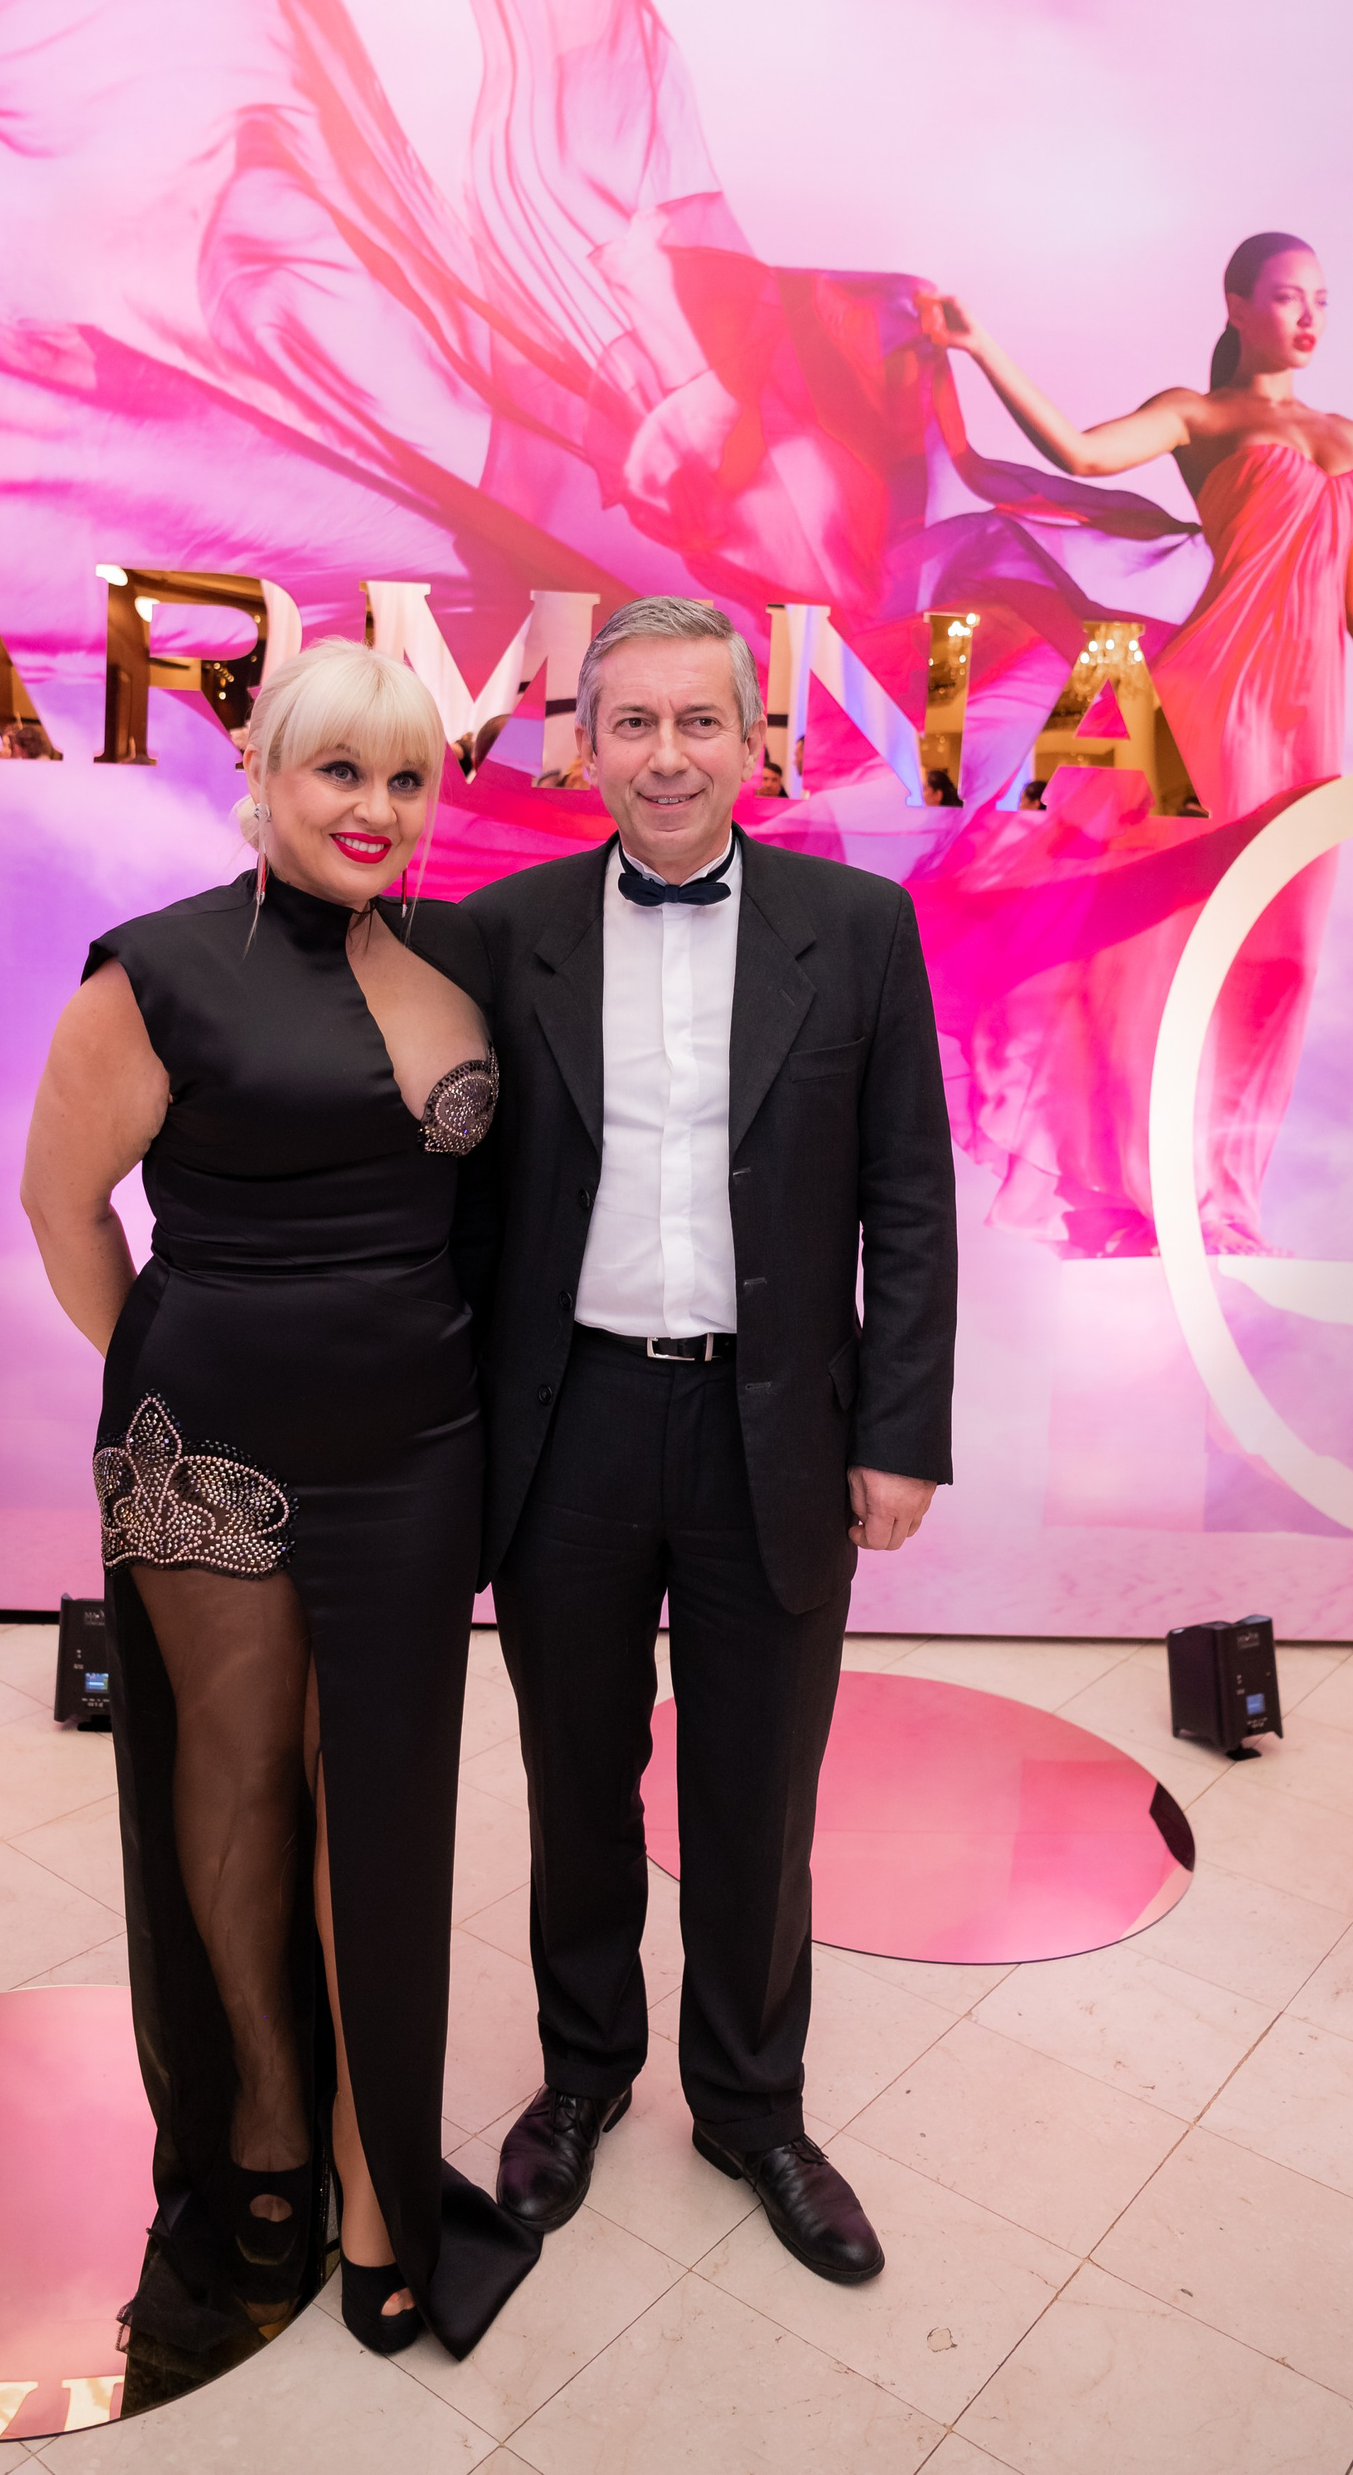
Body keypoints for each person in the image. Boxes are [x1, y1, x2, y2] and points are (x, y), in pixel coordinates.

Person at [418, 597, 958, 2286]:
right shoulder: (496, 935)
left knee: (756, 1792)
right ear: (581, 746)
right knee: (575, 1778)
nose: (667, 756)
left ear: (754, 741)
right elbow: (448, 1209)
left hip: (773, 1427)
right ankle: (582, 2077)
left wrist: (901, 1432)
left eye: (699, 721)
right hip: (565, 1424)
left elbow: (908, 1197)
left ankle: (751, 2106)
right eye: (633, 723)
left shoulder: (858, 929)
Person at [21, 640, 538, 2370]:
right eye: (340, 771)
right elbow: (63, 1208)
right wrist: (166, 1391)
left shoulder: (455, 963)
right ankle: (257, 2119)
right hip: (212, 1453)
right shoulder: (154, 972)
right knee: (238, 1771)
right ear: (264, 775)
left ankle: (376, 2179)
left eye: (407, 778)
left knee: (383, 1805)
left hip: (421, 1447)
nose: (375, 809)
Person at [917, 233, 1353, 1251]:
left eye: (1321, 300)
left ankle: (1226, 1199)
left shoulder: (1348, 436)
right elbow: (1080, 455)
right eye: (1287, 296)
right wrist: (981, 346)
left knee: (1284, 954)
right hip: (1218, 697)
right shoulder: (1200, 415)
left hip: (1310, 725)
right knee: (1169, 935)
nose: (1308, 317)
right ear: (1237, 305)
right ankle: (1149, 1184)